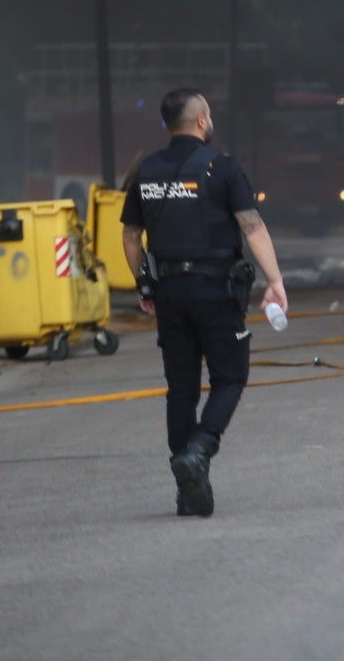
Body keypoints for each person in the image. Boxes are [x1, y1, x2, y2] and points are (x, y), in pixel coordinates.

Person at [119, 87, 288, 517]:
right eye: (208, 114)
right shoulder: (222, 168)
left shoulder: (147, 171)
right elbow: (251, 227)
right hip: (215, 291)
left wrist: (144, 286)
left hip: (170, 294)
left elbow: (131, 236)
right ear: (199, 121)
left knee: (181, 390)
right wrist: (275, 280)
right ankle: (200, 450)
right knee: (230, 377)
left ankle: (186, 488)